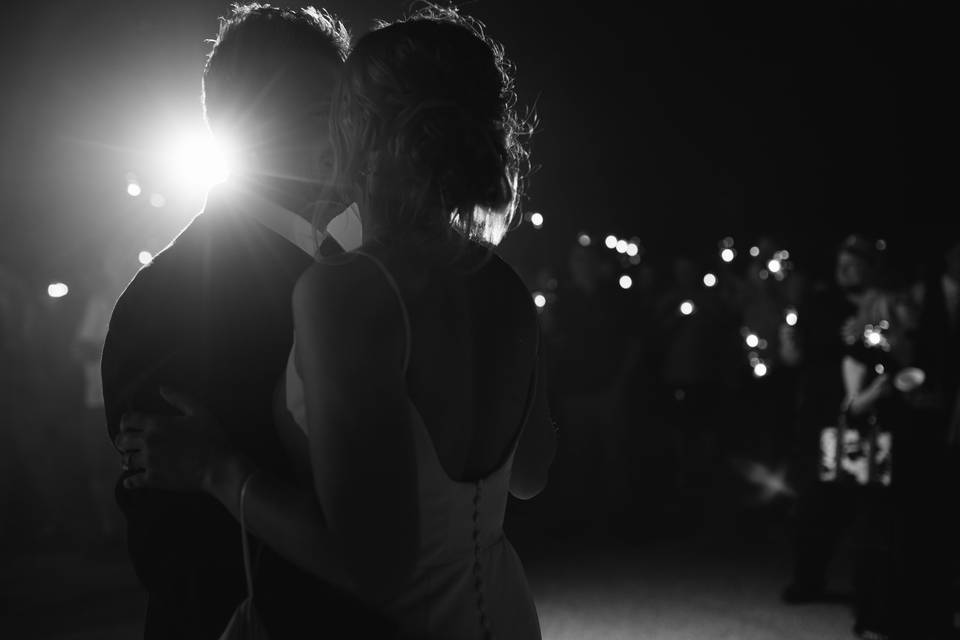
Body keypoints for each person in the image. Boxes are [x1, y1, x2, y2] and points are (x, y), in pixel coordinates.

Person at [116, 6, 555, 640]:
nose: (327, 134)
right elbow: (533, 475)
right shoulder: (501, 283)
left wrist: (221, 471)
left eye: (337, 108)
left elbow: (377, 564)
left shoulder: (349, 287)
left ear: (358, 131)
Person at [101, 5, 389, 638]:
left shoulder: (353, 270)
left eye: (345, 114)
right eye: (325, 113)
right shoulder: (168, 300)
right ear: (249, 128)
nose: (348, 140)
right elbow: (175, 537)